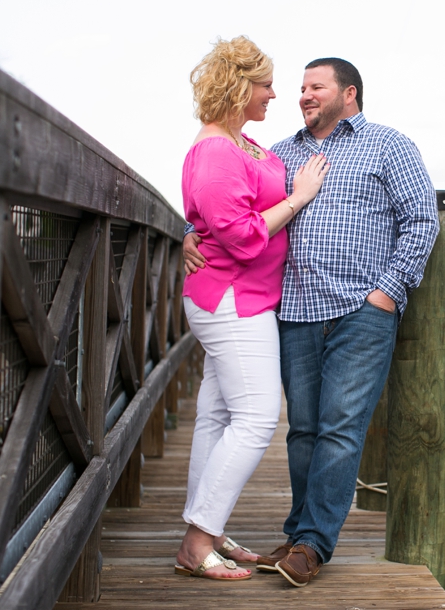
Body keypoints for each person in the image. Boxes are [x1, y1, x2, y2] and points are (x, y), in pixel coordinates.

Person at [184, 57, 439, 587]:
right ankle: (299, 533)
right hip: (294, 310)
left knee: (341, 431)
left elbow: (421, 219)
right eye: (300, 87)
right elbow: (231, 201)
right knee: (302, 432)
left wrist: (388, 293)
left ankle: (313, 544)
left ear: (349, 93)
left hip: (361, 312)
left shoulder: (389, 145)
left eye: (315, 86)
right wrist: (191, 232)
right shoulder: (279, 152)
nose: (302, 95)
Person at [175, 36, 329, 581]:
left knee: (218, 416)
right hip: (232, 298)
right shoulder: (217, 149)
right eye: (265, 83)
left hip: (246, 296)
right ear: (239, 87)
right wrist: (299, 198)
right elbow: (241, 237)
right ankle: (197, 543)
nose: (274, 92)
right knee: (259, 416)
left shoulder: (241, 143)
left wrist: (190, 231)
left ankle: (208, 529)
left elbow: (213, 214)